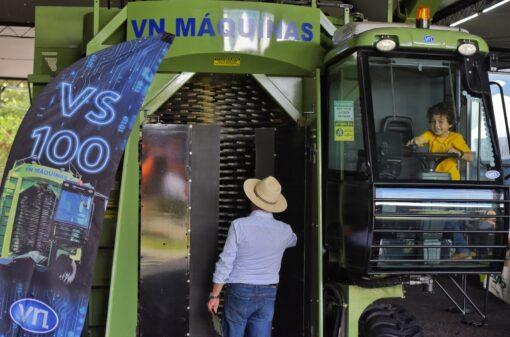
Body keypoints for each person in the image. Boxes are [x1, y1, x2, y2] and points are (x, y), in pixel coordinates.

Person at [207, 176, 297, 337]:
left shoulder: (239, 225)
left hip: (239, 290)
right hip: (268, 292)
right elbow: (293, 241)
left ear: (253, 200)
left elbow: (226, 262)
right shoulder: (285, 231)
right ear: (274, 204)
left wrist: (215, 295)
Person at [407, 102, 474, 259]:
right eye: (433, 121)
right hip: (434, 184)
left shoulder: (456, 138)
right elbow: (420, 139)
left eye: (440, 122)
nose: (436, 125)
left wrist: (457, 153)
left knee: (447, 217)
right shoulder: (430, 135)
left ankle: (462, 250)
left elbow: (470, 156)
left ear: (450, 124)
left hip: (451, 185)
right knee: (428, 216)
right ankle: (423, 247)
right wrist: (413, 142)